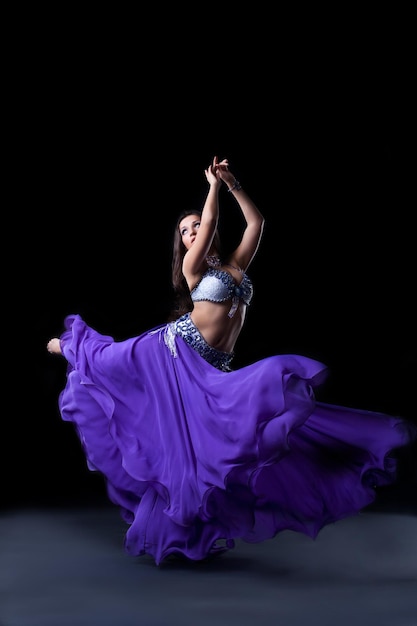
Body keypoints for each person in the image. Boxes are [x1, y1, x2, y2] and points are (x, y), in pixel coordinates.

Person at [47, 156, 416, 566]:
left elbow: (257, 224)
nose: (192, 234)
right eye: (185, 232)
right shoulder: (192, 269)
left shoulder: (236, 265)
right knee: (110, 361)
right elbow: (208, 226)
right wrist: (211, 189)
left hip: (209, 368)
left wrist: (232, 182)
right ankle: (69, 346)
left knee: (196, 450)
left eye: (195, 228)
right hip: (171, 351)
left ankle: (183, 533)